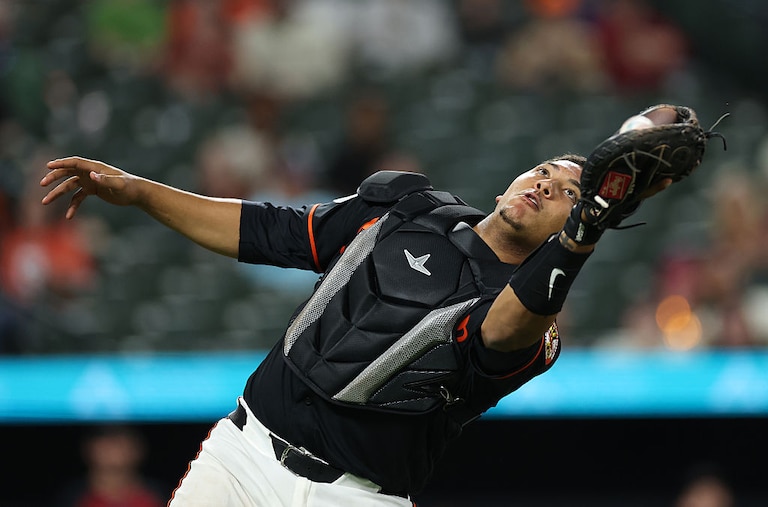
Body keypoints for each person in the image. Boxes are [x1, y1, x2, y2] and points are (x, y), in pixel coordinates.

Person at [40, 138, 673, 504]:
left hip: (354, 496)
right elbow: (271, 232)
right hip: (241, 455)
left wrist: (585, 232)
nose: (542, 186)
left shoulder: (536, 322)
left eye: (566, 193)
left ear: (576, 225)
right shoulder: (407, 205)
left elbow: (498, 333)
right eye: (541, 171)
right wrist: (142, 191)